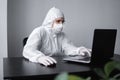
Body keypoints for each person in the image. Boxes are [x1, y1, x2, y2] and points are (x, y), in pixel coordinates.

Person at [23, 7, 91, 67]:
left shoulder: (61, 35)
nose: (61, 25)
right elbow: (28, 50)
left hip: (56, 65)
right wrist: (39, 57)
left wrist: (79, 50)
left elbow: (68, 48)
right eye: (58, 21)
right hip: (40, 66)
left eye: (62, 21)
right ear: (50, 21)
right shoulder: (39, 31)